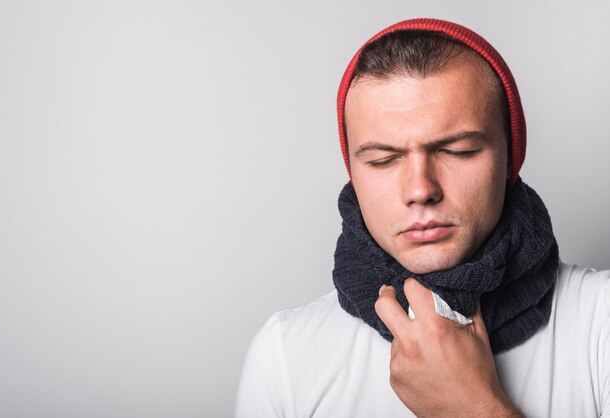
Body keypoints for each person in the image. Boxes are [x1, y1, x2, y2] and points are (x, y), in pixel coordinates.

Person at [234, 18, 610, 417]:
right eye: (383, 160)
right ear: (353, 175)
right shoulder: (285, 356)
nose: (420, 189)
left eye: (459, 151)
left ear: (510, 158)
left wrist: (472, 407)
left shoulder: (601, 320)